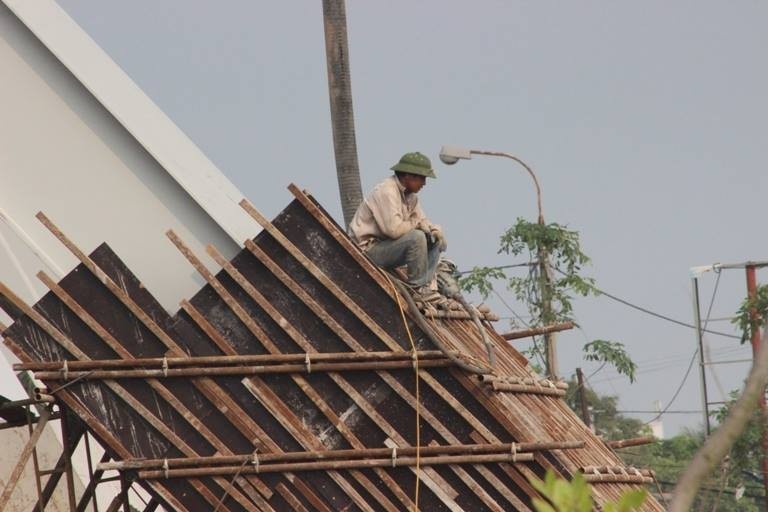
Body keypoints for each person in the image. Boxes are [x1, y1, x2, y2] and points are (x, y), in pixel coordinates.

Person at [349, 152, 447, 302]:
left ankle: (427, 287)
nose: (424, 184)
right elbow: (393, 230)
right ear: (408, 176)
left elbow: (423, 221)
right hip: (368, 251)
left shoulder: (411, 197)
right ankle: (418, 289)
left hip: (387, 247)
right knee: (417, 237)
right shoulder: (387, 191)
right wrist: (418, 225)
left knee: (433, 239)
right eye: (422, 178)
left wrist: (435, 231)